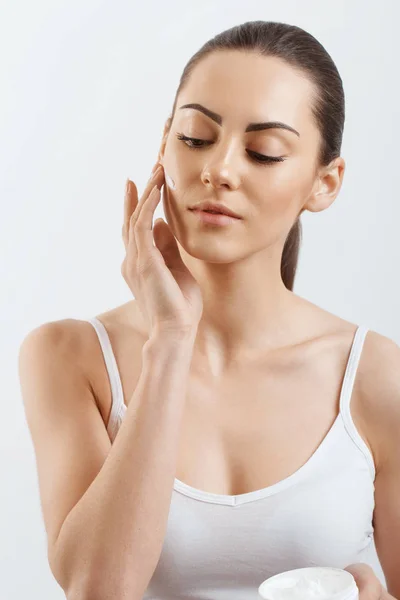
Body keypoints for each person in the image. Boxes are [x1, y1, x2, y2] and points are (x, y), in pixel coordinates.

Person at [18, 20, 400, 600]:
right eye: (196, 137)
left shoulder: (376, 376)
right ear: (164, 145)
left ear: (324, 183)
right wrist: (170, 338)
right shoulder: (68, 356)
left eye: (263, 152)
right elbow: (99, 588)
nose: (218, 170)